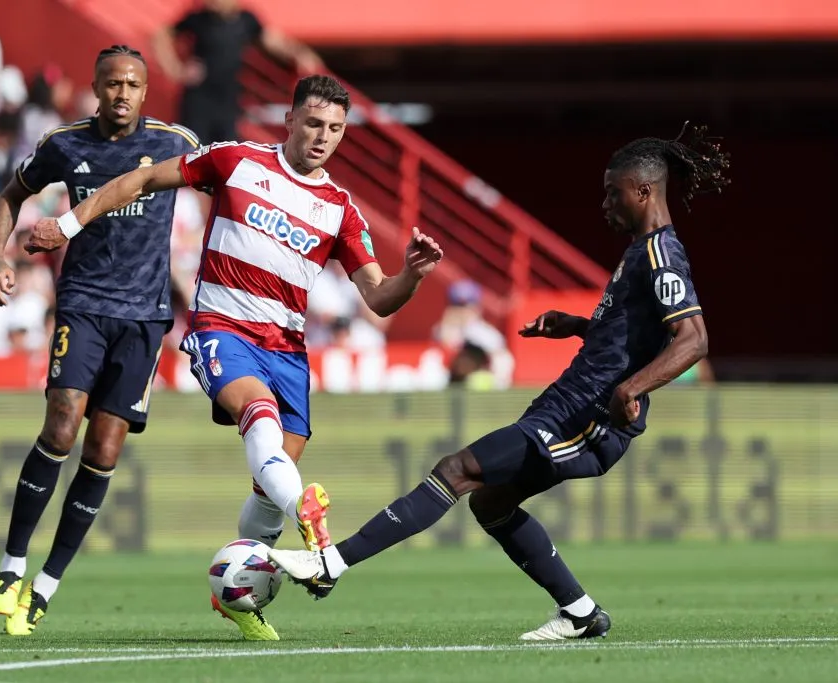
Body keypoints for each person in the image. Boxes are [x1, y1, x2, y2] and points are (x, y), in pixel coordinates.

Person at [268, 123, 728, 641]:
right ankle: (580, 612)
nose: (604, 203)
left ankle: (334, 563)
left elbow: (693, 338)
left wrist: (632, 389)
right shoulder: (638, 253)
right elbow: (630, 336)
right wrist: (576, 327)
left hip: (591, 414)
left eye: (611, 191)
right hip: (570, 402)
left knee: (457, 469)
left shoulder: (662, 254)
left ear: (643, 191)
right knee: (491, 502)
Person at [25, 75, 444, 640]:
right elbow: (147, 176)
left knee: (267, 494)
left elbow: (378, 297)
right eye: (315, 124)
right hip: (222, 329)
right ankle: (313, 523)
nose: (324, 137)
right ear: (290, 121)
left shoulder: (342, 211)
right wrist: (70, 223)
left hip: (288, 349)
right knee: (261, 420)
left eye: (336, 129)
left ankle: (239, 597)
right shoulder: (236, 161)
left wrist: (412, 275)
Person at [0, 45, 199, 637]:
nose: (122, 93)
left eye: (132, 83)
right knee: (62, 422)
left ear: (145, 92)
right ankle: (10, 566)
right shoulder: (64, 144)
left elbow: (225, 187)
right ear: (96, 87)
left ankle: (45, 587)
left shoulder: (177, 142)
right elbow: (9, 197)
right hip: (83, 303)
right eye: (112, 84)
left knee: (103, 450)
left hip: (146, 317)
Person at [152, 0, 322, 144]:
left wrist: (299, 53)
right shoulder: (198, 18)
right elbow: (162, 35)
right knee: (192, 147)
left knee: (226, 149)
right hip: (198, 99)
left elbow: (272, 41)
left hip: (228, 98)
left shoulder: (246, 19)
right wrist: (175, 69)